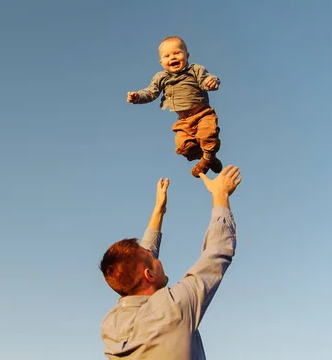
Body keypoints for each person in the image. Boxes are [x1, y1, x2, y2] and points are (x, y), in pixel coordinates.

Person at [99, 165, 242, 359]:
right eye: (153, 259)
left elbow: (140, 261)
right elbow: (217, 252)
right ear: (148, 275)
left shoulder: (110, 326)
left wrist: (159, 211)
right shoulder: (174, 309)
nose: (157, 258)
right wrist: (220, 195)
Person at [127, 36, 224, 178]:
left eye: (177, 53)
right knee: (184, 147)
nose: (172, 57)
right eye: (167, 56)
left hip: (203, 114)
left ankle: (206, 159)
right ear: (161, 62)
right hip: (184, 121)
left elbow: (207, 79)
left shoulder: (195, 69)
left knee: (207, 135)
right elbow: (150, 92)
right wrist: (138, 97)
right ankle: (209, 157)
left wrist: (211, 82)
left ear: (187, 55)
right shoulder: (161, 77)